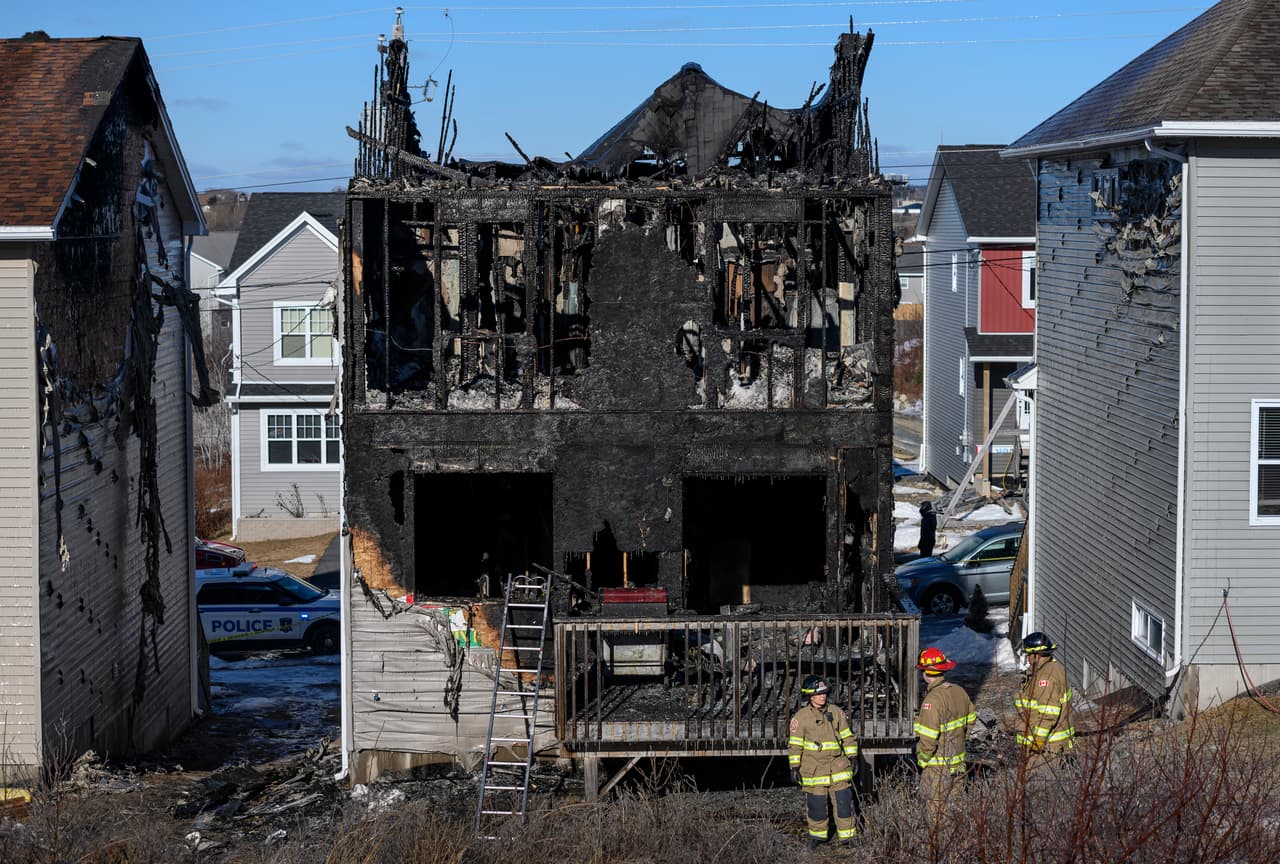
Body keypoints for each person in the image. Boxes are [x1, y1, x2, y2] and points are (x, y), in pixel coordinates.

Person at [788, 675, 859, 849]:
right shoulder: (800, 718)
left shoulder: (836, 712)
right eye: (819, 694)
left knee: (844, 804)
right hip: (814, 770)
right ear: (809, 696)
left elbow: (847, 737)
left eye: (824, 693)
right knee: (816, 806)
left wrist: (853, 757)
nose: (823, 697)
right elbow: (795, 745)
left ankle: (848, 837)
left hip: (838, 767)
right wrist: (794, 767)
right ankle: (817, 837)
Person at [913, 647, 975, 823]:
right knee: (955, 811)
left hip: (938, 769)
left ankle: (938, 848)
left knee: (936, 813)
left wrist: (922, 760)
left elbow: (928, 739)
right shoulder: (959, 691)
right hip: (958, 764)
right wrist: (960, 740)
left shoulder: (932, 701)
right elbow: (971, 720)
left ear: (926, 673)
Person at [1014, 631, 1075, 772]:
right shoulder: (1045, 670)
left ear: (1038, 655)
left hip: (1046, 749)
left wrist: (1038, 740)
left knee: (1039, 787)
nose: (1028, 658)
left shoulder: (1046, 678)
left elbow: (1049, 713)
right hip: (1045, 745)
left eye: (1029, 654)